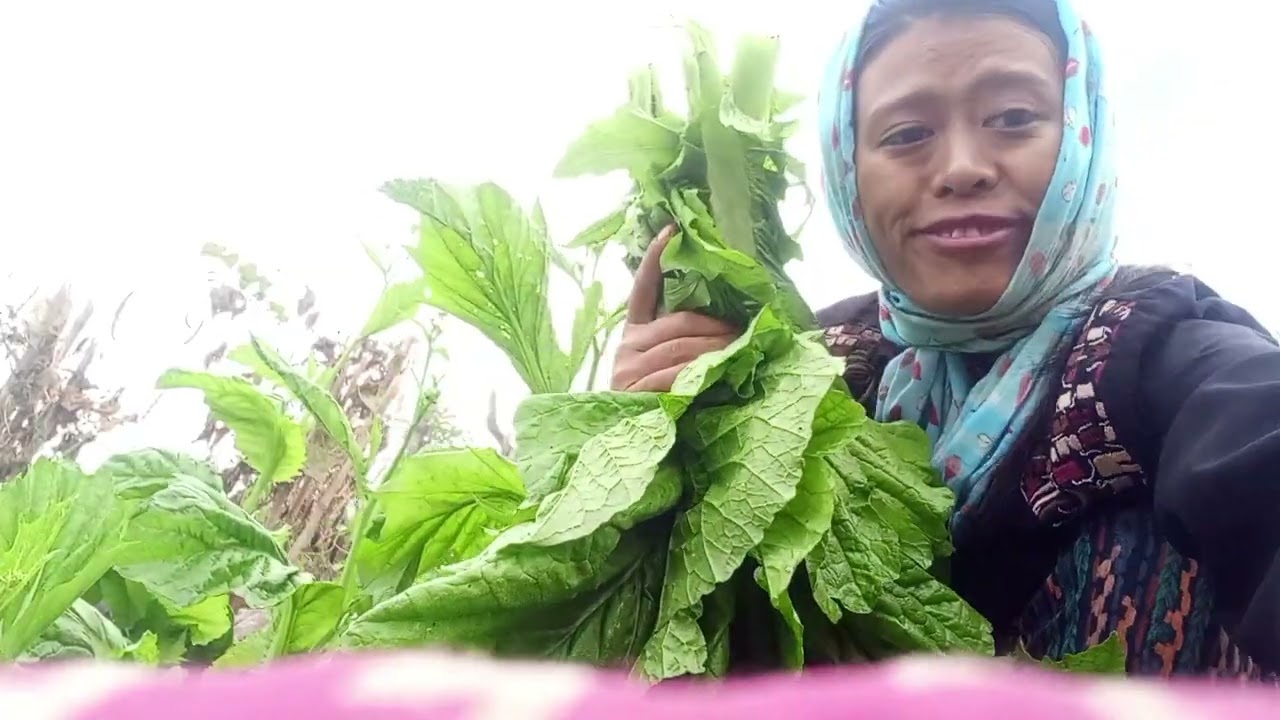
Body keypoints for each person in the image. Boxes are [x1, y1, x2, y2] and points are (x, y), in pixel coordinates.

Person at [612, 0, 1280, 680]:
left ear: (1083, 134)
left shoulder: (1167, 352)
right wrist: (646, 443)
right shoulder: (799, 369)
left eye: (1014, 119)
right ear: (848, 170)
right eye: (906, 133)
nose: (962, 167)